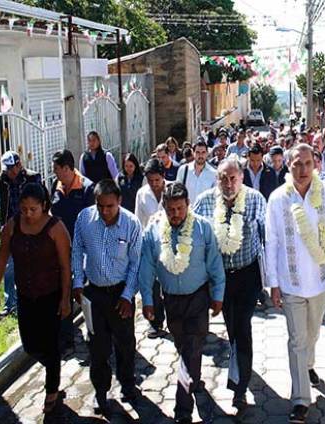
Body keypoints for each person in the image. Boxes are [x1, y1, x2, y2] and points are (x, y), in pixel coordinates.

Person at [265, 143, 325, 423]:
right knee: (297, 340)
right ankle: (301, 398)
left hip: (321, 281)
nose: (302, 170)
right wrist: (273, 284)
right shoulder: (278, 199)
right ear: (287, 166)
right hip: (290, 284)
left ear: (315, 165)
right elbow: (272, 242)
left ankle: (308, 365)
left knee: (312, 334)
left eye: (307, 164)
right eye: (296, 164)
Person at [139, 182, 225, 424]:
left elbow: (215, 263)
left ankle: (183, 409)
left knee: (190, 350)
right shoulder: (153, 231)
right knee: (183, 346)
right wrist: (147, 300)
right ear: (163, 207)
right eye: (170, 209)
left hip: (198, 298)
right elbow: (146, 267)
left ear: (188, 204)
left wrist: (218, 294)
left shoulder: (202, 228)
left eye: (179, 208)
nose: (175, 214)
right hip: (171, 302)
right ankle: (193, 380)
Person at [0, 183, 72, 414]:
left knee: (50, 343)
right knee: (30, 345)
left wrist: (65, 299)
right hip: (25, 296)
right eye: (23, 208)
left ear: (44, 206)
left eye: (32, 209)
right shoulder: (14, 226)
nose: (27, 214)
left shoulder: (56, 229)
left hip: (51, 296)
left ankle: (52, 389)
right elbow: (2, 256)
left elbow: (66, 267)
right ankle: (52, 369)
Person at [194, 159, 266, 416]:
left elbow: (267, 236)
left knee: (242, 327)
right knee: (232, 326)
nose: (229, 183)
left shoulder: (256, 200)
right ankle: (239, 369)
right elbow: (194, 238)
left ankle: (240, 387)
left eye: (233, 178)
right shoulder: (204, 202)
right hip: (219, 277)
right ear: (217, 179)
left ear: (242, 178)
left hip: (248, 275)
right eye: (223, 178)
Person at [72, 179, 143, 412]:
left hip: (121, 294)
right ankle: (101, 392)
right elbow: (77, 249)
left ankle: (127, 384)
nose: (104, 211)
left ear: (119, 202)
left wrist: (127, 295)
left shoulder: (131, 223)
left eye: (110, 206)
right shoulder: (85, 219)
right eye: (100, 206)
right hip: (94, 295)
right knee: (98, 348)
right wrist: (77, 282)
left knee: (125, 344)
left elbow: (135, 263)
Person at [50, 149, 95, 351]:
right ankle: (66, 336)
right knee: (64, 290)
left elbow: (94, 222)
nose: (55, 173)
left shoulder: (86, 188)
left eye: (57, 169)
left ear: (67, 168)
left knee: (84, 291)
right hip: (61, 250)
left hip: (83, 249)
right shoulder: (56, 186)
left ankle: (93, 329)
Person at [0, 151, 42, 317]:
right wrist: (2, 225)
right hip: (12, 226)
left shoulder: (32, 178)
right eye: (6, 169)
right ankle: (10, 303)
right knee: (9, 266)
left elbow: (41, 201)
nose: (9, 172)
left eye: (11, 168)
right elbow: (3, 203)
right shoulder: (3, 180)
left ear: (18, 165)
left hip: (30, 225)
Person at [135, 159, 169, 338]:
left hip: (171, 245)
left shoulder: (173, 190)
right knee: (152, 285)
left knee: (170, 285)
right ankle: (155, 323)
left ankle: (174, 319)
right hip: (149, 247)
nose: (154, 184)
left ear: (163, 177)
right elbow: (138, 222)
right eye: (151, 181)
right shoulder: (142, 194)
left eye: (157, 180)